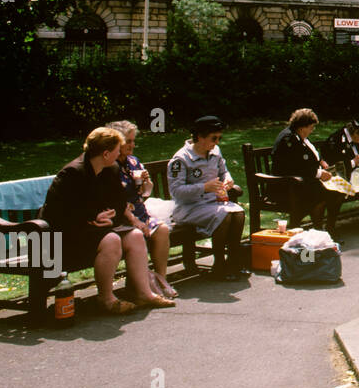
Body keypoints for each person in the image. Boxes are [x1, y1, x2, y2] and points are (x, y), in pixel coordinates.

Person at [40, 127, 176, 313]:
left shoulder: (110, 169)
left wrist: (111, 215)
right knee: (112, 240)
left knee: (135, 236)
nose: (120, 154)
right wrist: (92, 217)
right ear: (106, 153)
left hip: (96, 230)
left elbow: (119, 202)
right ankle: (106, 299)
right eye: (117, 151)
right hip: (64, 235)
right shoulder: (72, 173)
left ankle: (144, 294)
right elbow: (56, 213)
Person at [169, 115, 246, 280]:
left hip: (212, 204)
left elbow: (223, 171)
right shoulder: (181, 159)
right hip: (189, 207)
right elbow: (176, 191)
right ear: (199, 137)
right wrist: (203, 187)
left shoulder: (215, 152)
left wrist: (228, 179)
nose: (217, 142)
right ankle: (219, 265)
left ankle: (233, 261)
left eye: (219, 138)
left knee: (238, 213)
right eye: (213, 138)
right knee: (224, 215)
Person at [109, 120, 176, 299]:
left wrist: (146, 183)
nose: (132, 145)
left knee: (161, 229)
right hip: (123, 219)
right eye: (128, 142)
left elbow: (144, 194)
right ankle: (143, 284)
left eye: (133, 141)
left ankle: (161, 279)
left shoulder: (133, 161)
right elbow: (115, 200)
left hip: (140, 213)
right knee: (140, 233)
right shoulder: (110, 166)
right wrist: (134, 220)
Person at [271, 109, 342, 236]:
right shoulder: (289, 139)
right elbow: (296, 167)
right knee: (323, 192)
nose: (312, 130)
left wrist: (321, 163)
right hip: (285, 186)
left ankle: (325, 230)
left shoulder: (298, 137)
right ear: (302, 127)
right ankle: (318, 231)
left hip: (300, 183)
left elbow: (308, 158)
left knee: (335, 190)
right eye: (311, 127)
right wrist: (319, 174)